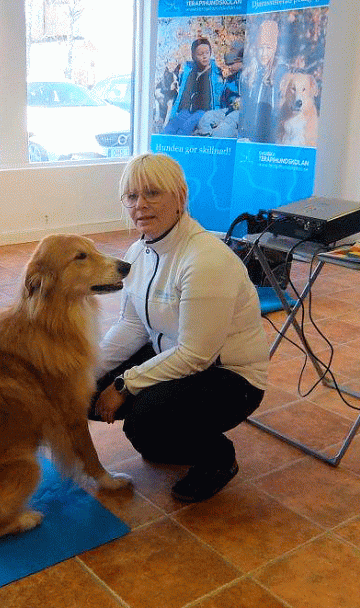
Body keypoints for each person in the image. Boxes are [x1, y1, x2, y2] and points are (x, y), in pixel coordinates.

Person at [90, 153, 269, 502]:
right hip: (176, 355)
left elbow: (196, 355)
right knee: (83, 389)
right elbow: (131, 325)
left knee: (147, 420)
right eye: (132, 196)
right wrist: (85, 368)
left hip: (231, 378)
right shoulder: (139, 251)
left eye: (153, 193)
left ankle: (218, 457)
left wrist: (125, 383)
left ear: (180, 196)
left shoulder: (205, 259)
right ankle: (167, 435)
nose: (140, 205)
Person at [163, 38, 226, 136]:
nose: (205, 56)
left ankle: (180, 149)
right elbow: (180, 92)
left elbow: (221, 96)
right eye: (200, 54)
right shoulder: (188, 72)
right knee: (169, 129)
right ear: (194, 56)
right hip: (186, 110)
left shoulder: (216, 74)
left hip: (204, 111)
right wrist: (174, 112)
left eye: (207, 53)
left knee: (185, 129)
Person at [239, 19, 289, 143]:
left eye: (268, 48)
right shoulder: (251, 72)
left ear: (275, 49)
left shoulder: (280, 71)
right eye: (260, 48)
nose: (264, 53)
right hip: (251, 131)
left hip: (271, 132)